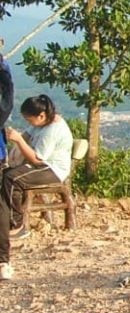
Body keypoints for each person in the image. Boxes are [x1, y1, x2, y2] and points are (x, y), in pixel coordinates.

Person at [1, 95, 74, 281]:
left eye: (30, 118)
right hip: (41, 165)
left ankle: (16, 223)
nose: (29, 122)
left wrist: (18, 141)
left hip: (52, 169)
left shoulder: (53, 130)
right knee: (8, 175)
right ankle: (11, 219)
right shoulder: (41, 123)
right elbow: (28, 135)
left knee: (12, 178)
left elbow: (37, 159)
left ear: (41, 115)